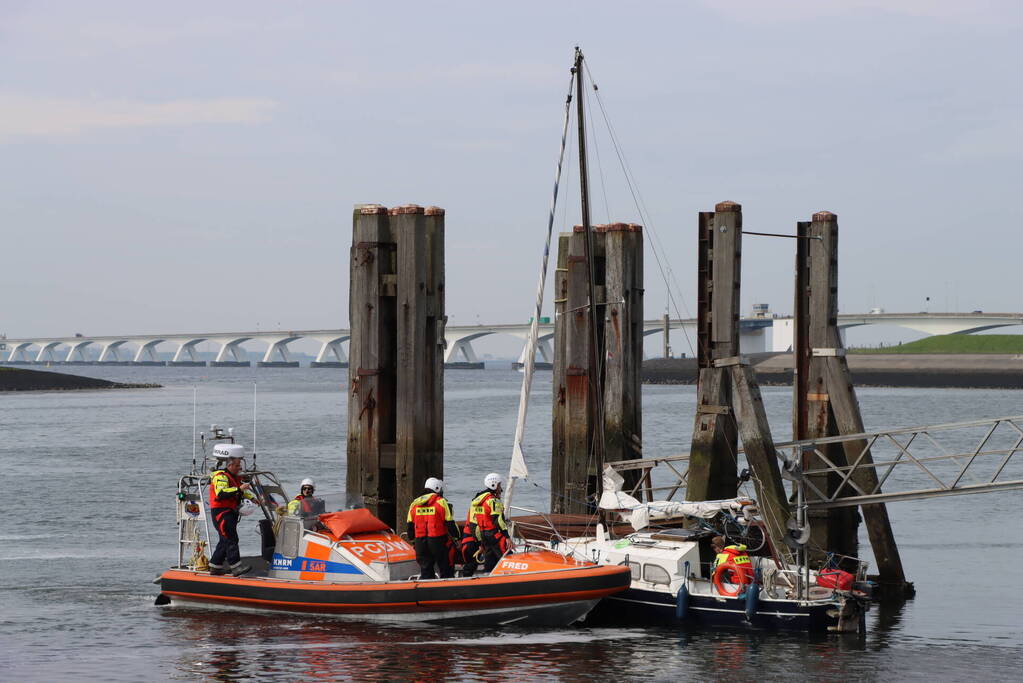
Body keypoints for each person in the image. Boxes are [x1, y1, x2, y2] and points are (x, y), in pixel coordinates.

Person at [208, 450, 258, 576]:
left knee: (225, 539)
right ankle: (236, 567)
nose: (239, 468)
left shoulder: (235, 478)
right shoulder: (221, 477)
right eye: (237, 465)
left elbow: (239, 490)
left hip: (230, 511)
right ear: (229, 465)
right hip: (221, 512)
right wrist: (239, 489)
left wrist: (251, 497)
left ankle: (215, 565)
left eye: (240, 465)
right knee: (231, 538)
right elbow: (222, 493)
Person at [406, 477, 459, 579]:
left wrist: (414, 541)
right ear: (437, 488)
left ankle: (427, 591)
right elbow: (450, 524)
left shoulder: (414, 504)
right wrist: (457, 538)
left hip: (420, 543)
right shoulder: (441, 502)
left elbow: (410, 526)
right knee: (445, 569)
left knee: (426, 571)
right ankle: (447, 590)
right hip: (437, 541)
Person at [464, 472, 510, 574]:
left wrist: (479, 541)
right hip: (493, 534)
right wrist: (507, 537)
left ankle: (488, 576)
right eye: (499, 485)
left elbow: (473, 524)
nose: (500, 489)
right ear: (494, 485)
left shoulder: (476, 502)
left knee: (489, 559)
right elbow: (498, 520)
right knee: (507, 555)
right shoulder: (493, 501)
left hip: (484, 536)